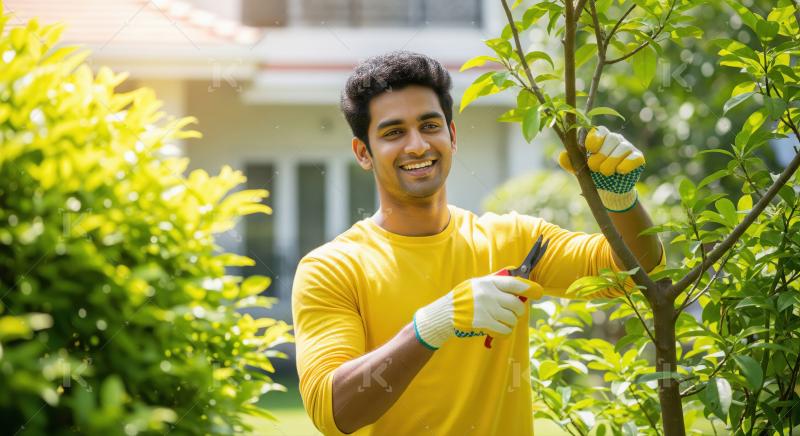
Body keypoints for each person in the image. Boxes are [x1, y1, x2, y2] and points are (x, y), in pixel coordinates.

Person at [291, 51, 664, 435]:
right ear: (363, 153)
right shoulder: (332, 268)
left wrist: (620, 199)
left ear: (452, 136)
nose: (417, 146)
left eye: (430, 125)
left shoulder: (513, 240)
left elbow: (634, 273)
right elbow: (334, 410)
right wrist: (432, 326)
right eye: (393, 133)